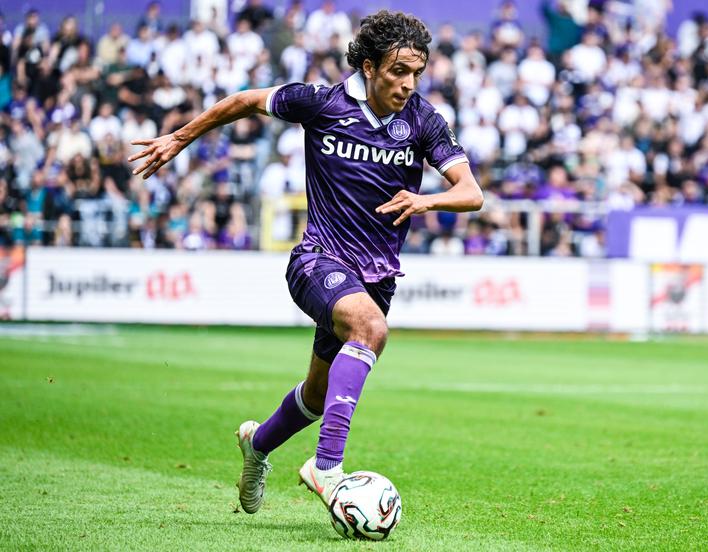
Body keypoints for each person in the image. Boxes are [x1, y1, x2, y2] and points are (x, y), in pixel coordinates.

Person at [129, 10, 483, 512]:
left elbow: (471, 193)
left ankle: (257, 447)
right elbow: (246, 101)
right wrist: (179, 138)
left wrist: (427, 201)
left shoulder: (424, 122)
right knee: (371, 330)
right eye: (398, 71)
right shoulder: (322, 103)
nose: (408, 84)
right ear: (367, 66)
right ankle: (327, 468)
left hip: (374, 276)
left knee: (317, 398)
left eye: (416, 74)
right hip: (317, 260)